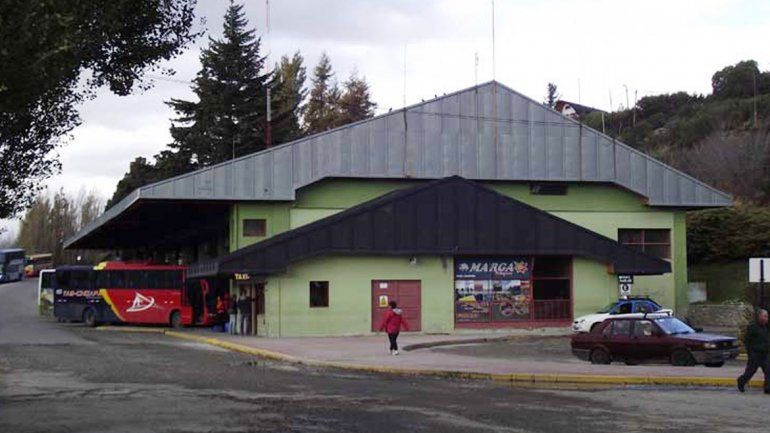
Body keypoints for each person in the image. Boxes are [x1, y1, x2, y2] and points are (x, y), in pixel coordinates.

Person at [737, 309, 770, 393]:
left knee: (768, 370)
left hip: (765, 353)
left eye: (767, 316)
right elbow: (747, 341)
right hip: (755, 354)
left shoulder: (766, 327)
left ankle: (767, 388)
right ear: (759, 317)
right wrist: (750, 353)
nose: (767, 318)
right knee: (750, 372)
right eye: (765, 316)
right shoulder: (753, 327)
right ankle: (741, 381)